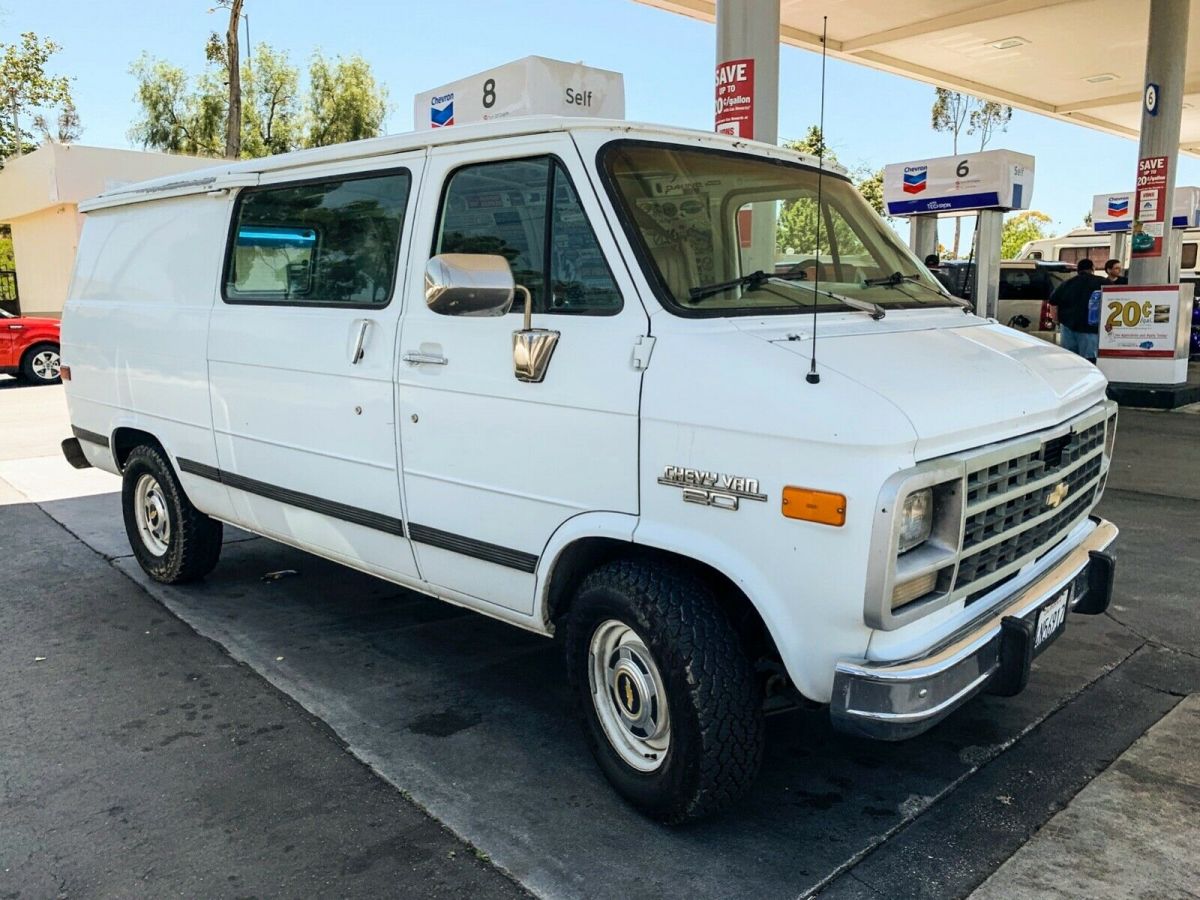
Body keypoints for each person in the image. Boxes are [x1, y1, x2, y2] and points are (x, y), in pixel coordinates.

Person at [1049, 258, 1105, 362]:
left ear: (1078, 270)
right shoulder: (1102, 282)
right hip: (1090, 329)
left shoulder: (1066, 283)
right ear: (1092, 269)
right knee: (1088, 361)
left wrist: (1056, 321)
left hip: (1068, 327)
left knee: (1069, 360)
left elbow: (1053, 303)